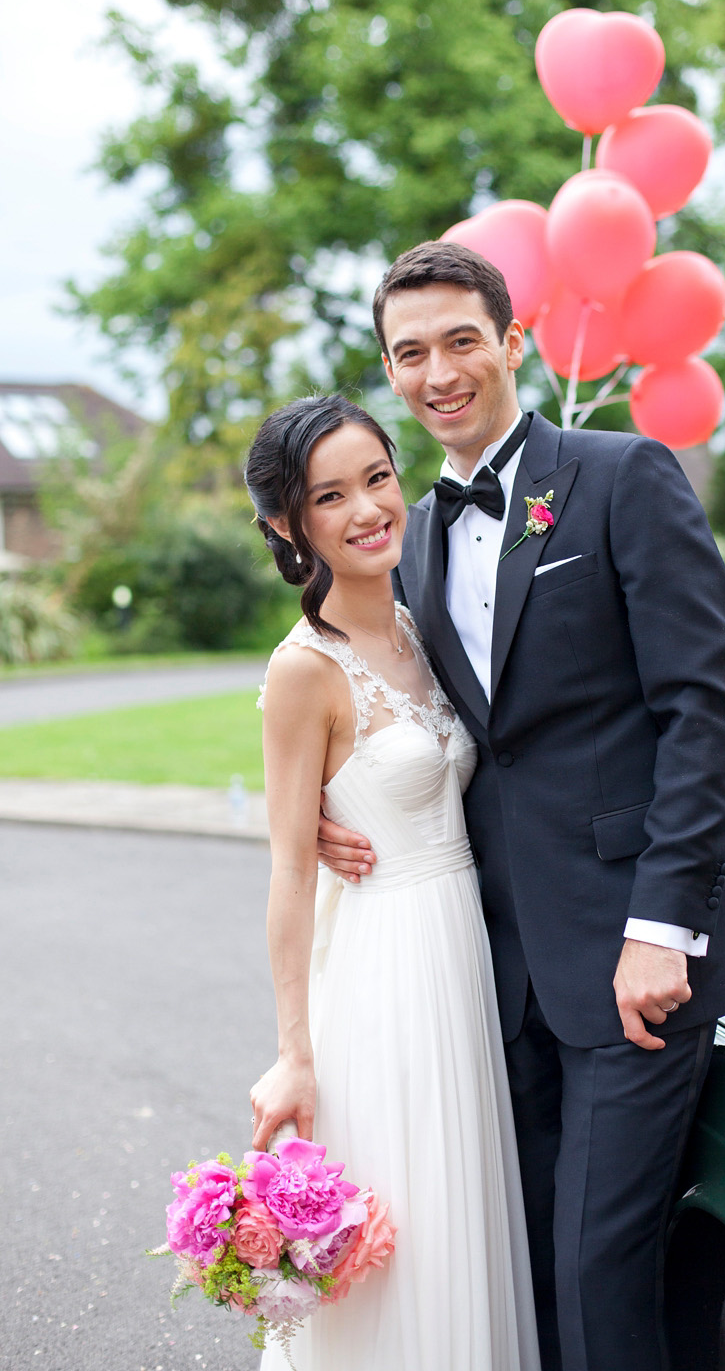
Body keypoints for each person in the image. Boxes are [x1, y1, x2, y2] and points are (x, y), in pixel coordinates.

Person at [315, 242, 725, 1371]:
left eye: (461, 340)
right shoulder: (413, 536)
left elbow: (702, 715)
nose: (439, 373)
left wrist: (663, 926)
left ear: (513, 343)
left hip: (636, 963)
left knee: (596, 1273)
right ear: (392, 370)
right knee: (516, 1270)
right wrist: (335, 808)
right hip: (491, 976)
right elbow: (414, 719)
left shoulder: (624, 476)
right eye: (410, 353)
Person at [245, 394, 541, 1371]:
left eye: (378, 477)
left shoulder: (426, 623)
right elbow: (289, 867)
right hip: (382, 976)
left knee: (466, 1216)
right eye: (331, 496)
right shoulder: (304, 671)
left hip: (464, 963)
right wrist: (292, 1053)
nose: (369, 508)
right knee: (402, 1236)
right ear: (290, 525)